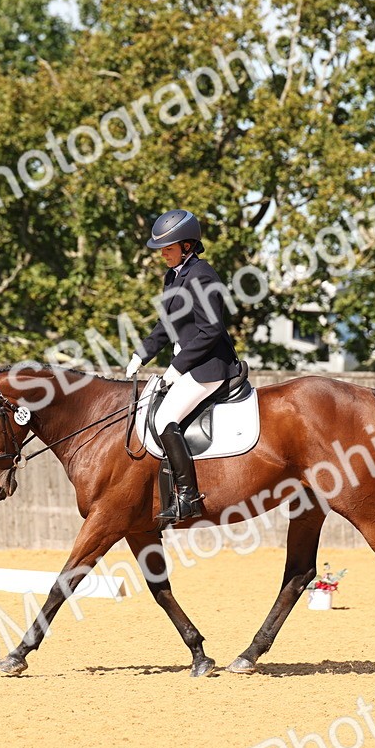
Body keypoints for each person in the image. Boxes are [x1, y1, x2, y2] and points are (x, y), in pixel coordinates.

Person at [125, 209, 239, 524]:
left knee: (164, 418)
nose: (162, 254)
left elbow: (211, 330)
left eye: (169, 248)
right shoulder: (173, 275)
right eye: (162, 249)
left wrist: (177, 366)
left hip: (209, 366)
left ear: (187, 246)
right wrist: (142, 354)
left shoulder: (202, 275)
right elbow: (166, 325)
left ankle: (188, 497)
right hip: (190, 364)